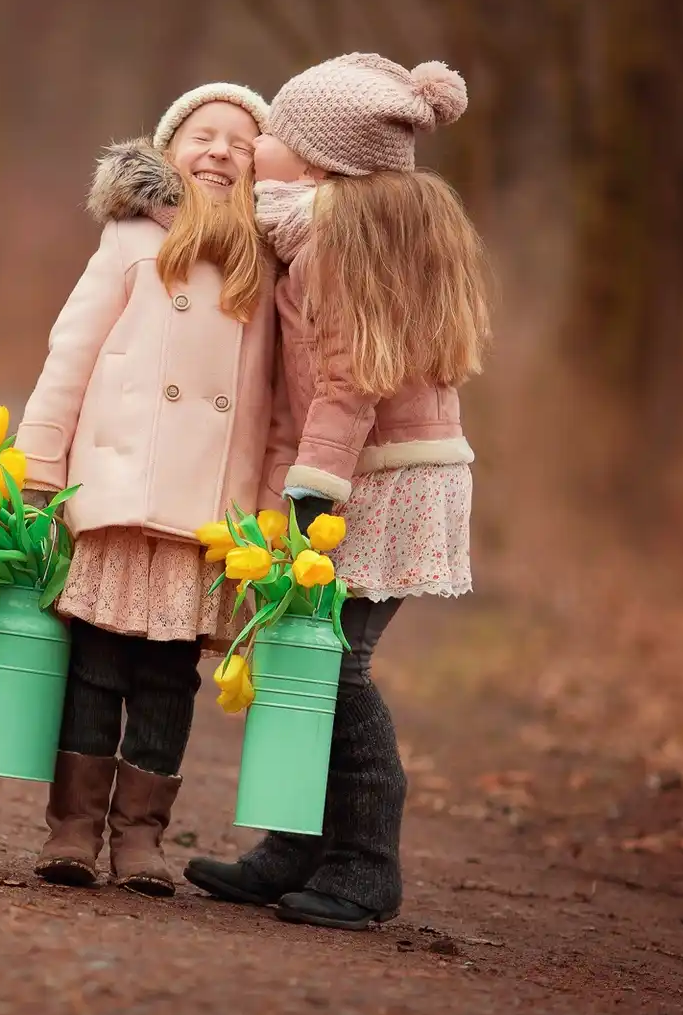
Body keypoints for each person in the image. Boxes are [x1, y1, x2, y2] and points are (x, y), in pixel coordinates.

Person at [184, 53, 493, 929]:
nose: (259, 142)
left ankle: (365, 864)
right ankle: (297, 846)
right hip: (377, 469)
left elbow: (349, 375)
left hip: (374, 480)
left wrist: (311, 488)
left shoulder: (333, 238)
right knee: (304, 659)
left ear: (317, 163)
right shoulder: (324, 225)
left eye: (274, 132)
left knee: (339, 666)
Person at [15, 83, 285, 896]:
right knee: (96, 666)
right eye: (204, 135)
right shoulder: (130, 238)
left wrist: (267, 507)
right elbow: (74, 350)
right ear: (170, 151)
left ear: (255, 171)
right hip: (118, 491)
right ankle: (72, 830)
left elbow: (274, 402)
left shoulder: (263, 262)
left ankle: (141, 840)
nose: (219, 152)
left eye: (240, 145)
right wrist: (40, 460)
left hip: (203, 514)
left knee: (169, 679)